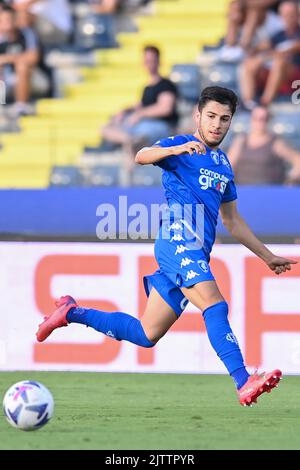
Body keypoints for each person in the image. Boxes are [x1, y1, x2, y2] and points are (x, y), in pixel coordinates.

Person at [36, 86, 297, 407]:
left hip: (195, 251)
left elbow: (232, 221)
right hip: (178, 240)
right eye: (211, 116)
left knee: (147, 334)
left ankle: (71, 312)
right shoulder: (179, 146)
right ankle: (243, 380)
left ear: (231, 122)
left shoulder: (224, 164)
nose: (217, 124)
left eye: (225, 119)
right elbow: (141, 155)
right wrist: (175, 151)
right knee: (215, 306)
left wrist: (267, 256)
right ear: (197, 115)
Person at [100, 45, 178, 167]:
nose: (149, 64)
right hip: (141, 125)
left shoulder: (166, 85)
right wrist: (125, 111)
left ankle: (133, 153)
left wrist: (141, 114)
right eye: (146, 61)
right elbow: (140, 105)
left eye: (151, 60)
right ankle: (129, 141)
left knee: (141, 135)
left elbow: (165, 108)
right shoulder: (147, 87)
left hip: (160, 126)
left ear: (158, 61)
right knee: (106, 128)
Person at [240, 1, 300, 108]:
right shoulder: (278, 35)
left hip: (294, 73)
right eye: (285, 15)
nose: (288, 18)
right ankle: (248, 102)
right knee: (249, 64)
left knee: (279, 62)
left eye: (291, 14)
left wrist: (268, 56)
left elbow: (292, 48)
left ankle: (265, 102)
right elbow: (252, 48)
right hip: (275, 71)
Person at [228, 106, 300, 184]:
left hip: (269, 192)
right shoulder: (241, 141)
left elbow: (297, 160)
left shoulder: (276, 142)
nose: (260, 122)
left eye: (263, 119)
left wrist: (290, 182)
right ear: (251, 120)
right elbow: (229, 166)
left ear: (269, 120)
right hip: (244, 191)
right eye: (256, 118)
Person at [0, 4, 40, 115]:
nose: (8, 23)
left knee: (22, 66)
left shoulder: (25, 33)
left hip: (33, 78)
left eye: (10, 19)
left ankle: (21, 107)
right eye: (4, 20)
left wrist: (8, 58)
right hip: (4, 81)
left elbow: (33, 57)